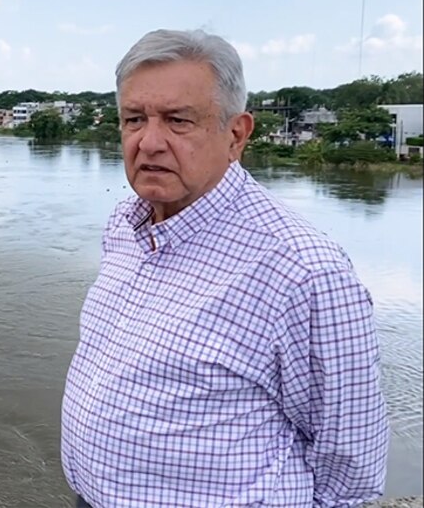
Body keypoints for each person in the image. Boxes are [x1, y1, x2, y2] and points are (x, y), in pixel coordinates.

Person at [60, 29, 389, 507]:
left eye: (178, 121)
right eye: (134, 119)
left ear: (236, 135)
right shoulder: (125, 226)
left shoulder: (301, 270)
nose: (149, 142)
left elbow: (351, 466)